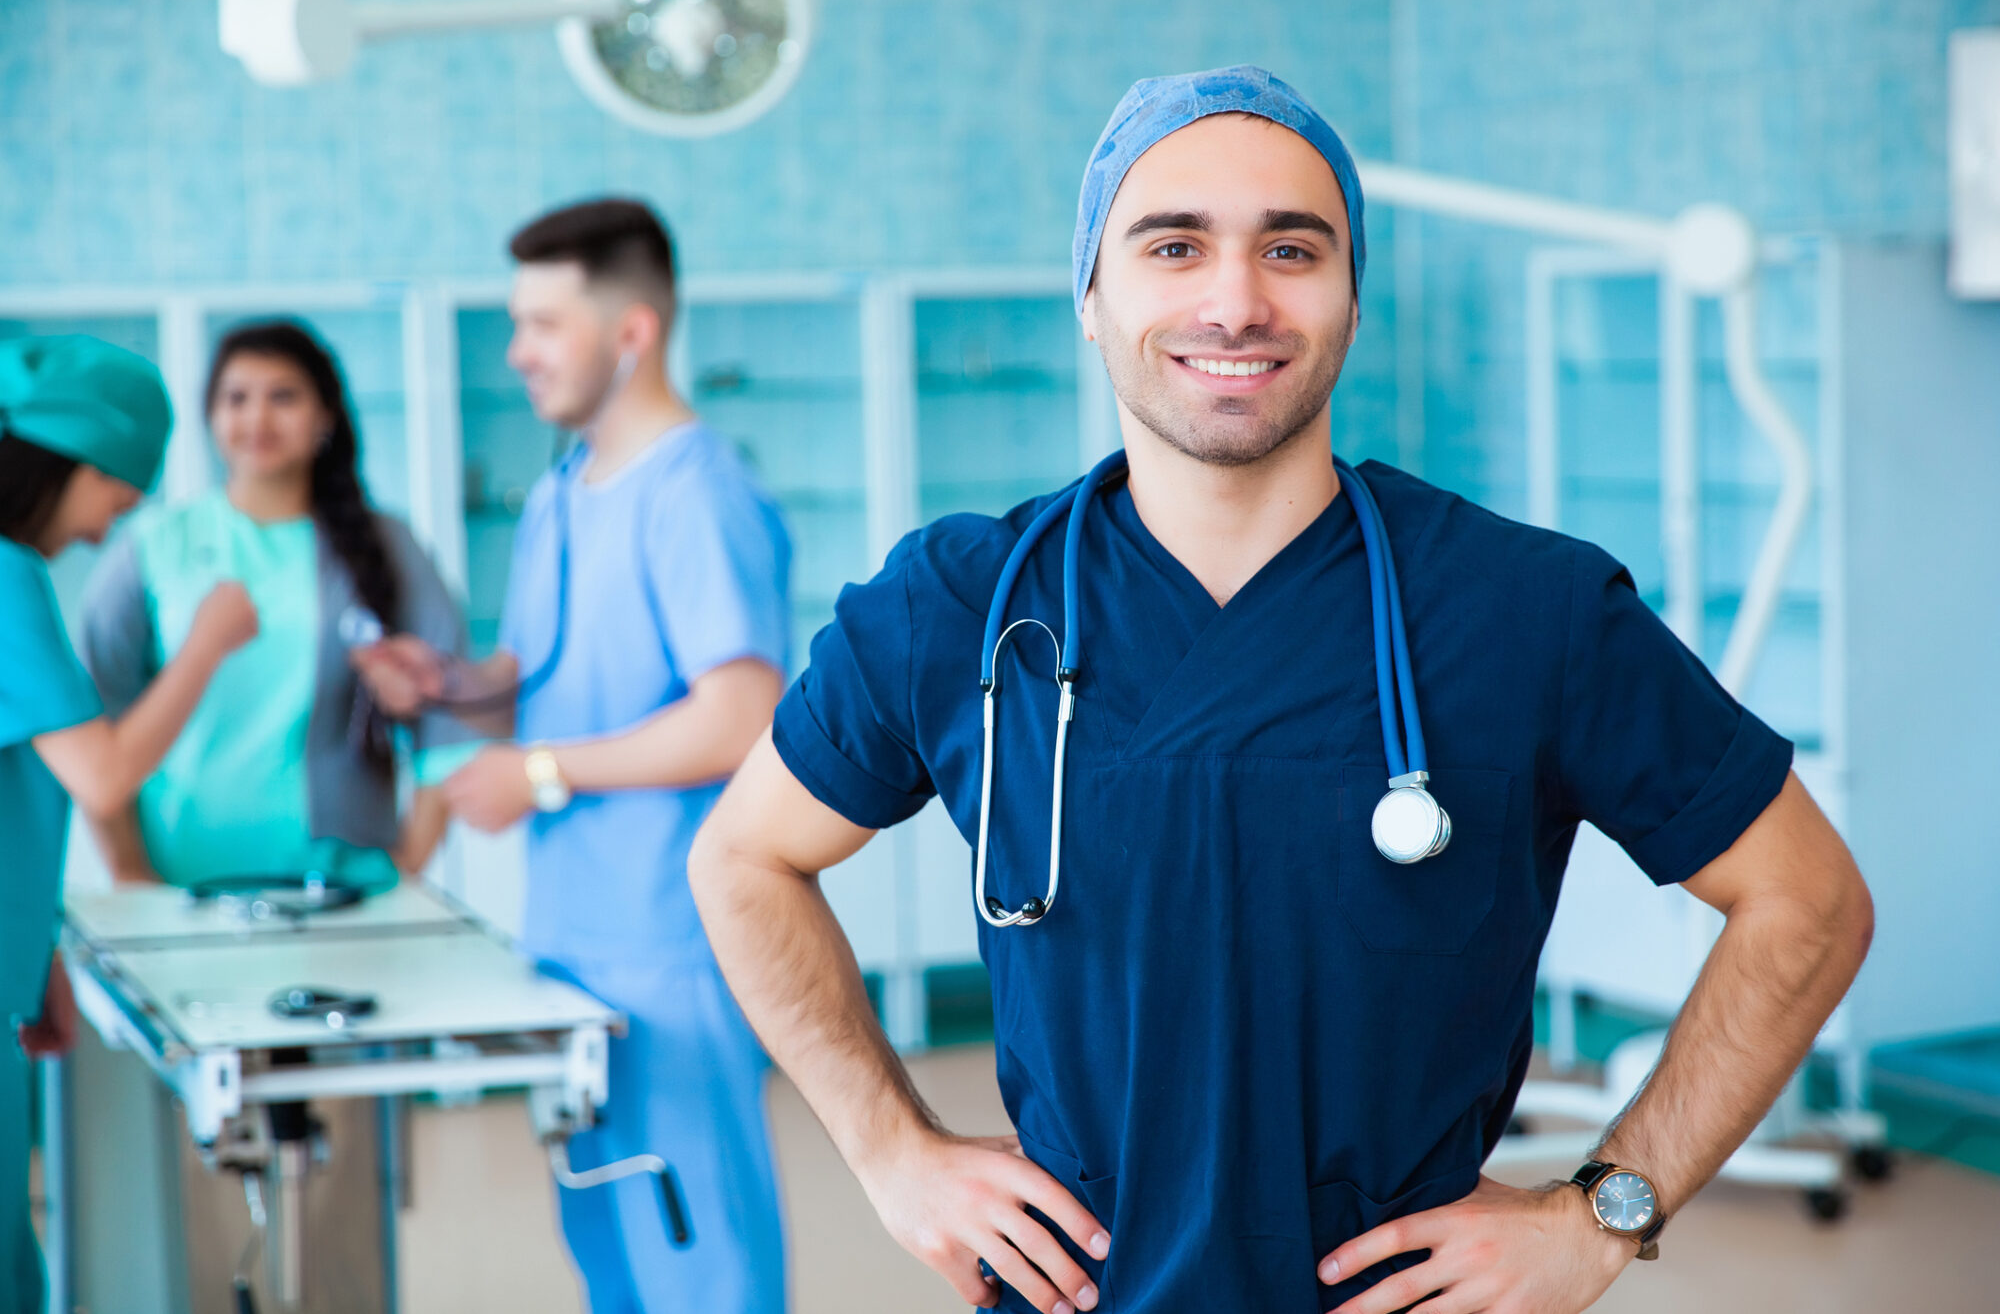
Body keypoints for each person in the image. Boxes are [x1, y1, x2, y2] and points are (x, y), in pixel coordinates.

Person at [685, 66, 1875, 1314]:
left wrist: (1602, 1211)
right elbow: (743, 862)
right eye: (1172, 245)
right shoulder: (960, 607)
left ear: (1352, 299)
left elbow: (1806, 902)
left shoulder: (1529, 611)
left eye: (1291, 249)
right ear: (1088, 296)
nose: (1235, 300)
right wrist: (889, 1149)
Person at [352, 199, 792, 1313]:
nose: (517, 352)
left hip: (672, 935)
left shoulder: (697, 494)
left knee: (696, 1249)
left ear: (631, 331)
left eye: (543, 324)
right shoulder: (561, 492)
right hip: (571, 934)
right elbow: (544, 673)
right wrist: (452, 684)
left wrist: (541, 776)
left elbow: (740, 716)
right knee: (607, 1236)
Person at [0, 335, 258, 1314]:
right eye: (121, 498)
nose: (115, 528)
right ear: (88, 462)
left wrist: (37, 960)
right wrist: (205, 644)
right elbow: (102, 776)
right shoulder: (6, 578)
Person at [76, 320, 470, 892]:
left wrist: (412, 860)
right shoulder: (153, 544)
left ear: (325, 416)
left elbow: (450, 716)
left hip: (348, 883)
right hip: (182, 881)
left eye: (283, 397)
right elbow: (95, 717)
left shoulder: (387, 547)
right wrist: (128, 869)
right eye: (236, 399)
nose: (257, 419)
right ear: (210, 416)